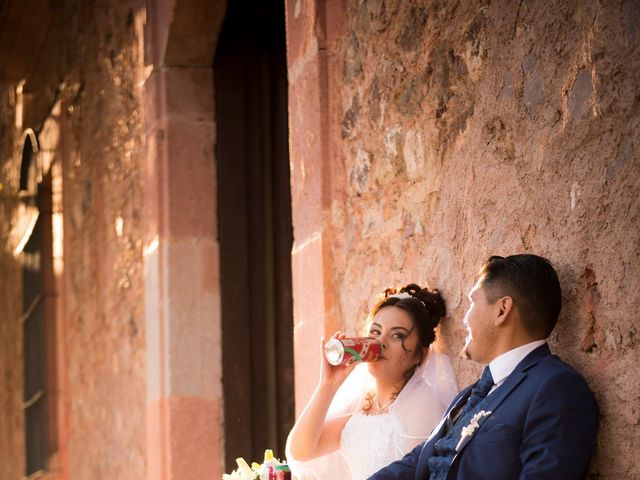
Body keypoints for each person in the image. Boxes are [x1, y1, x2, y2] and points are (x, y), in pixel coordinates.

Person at [369, 254, 599, 480]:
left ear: (502, 309)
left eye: (472, 302)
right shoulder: (469, 395)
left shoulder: (557, 388)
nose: (465, 319)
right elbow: (419, 463)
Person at [286, 284, 459, 480]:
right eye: (375, 332)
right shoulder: (363, 403)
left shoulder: (424, 402)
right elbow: (301, 451)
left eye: (397, 335)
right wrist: (328, 385)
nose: (381, 342)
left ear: (420, 355)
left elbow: (415, 475)